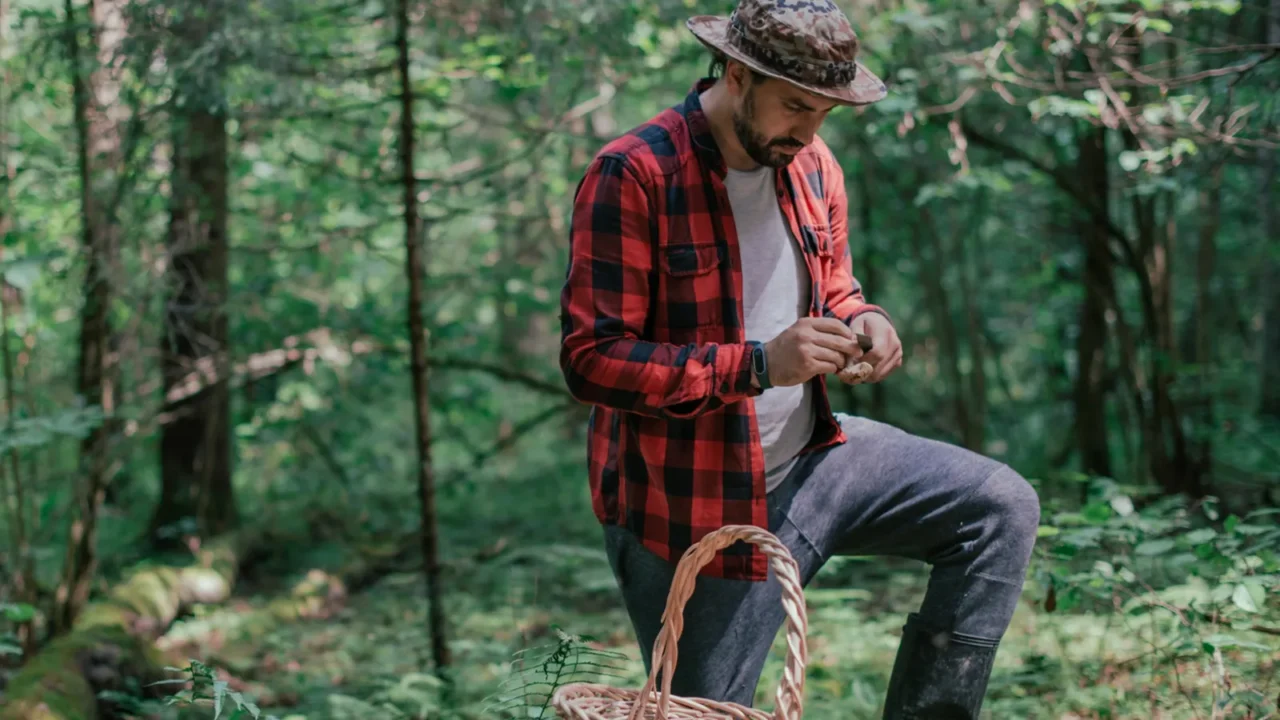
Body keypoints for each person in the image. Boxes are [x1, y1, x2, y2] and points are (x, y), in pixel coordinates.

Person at [557, 0, 1041, 716]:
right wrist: (756, 366)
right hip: (692, 504)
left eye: (824, 113)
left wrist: (864, 319)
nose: (809, 130)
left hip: (815, 460)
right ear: (735, 74)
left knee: (999, 508)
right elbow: (592, 361)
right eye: (794, 107)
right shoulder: (634, 174)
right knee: (703, 711)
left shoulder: (812, 163)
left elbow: (835, 284)